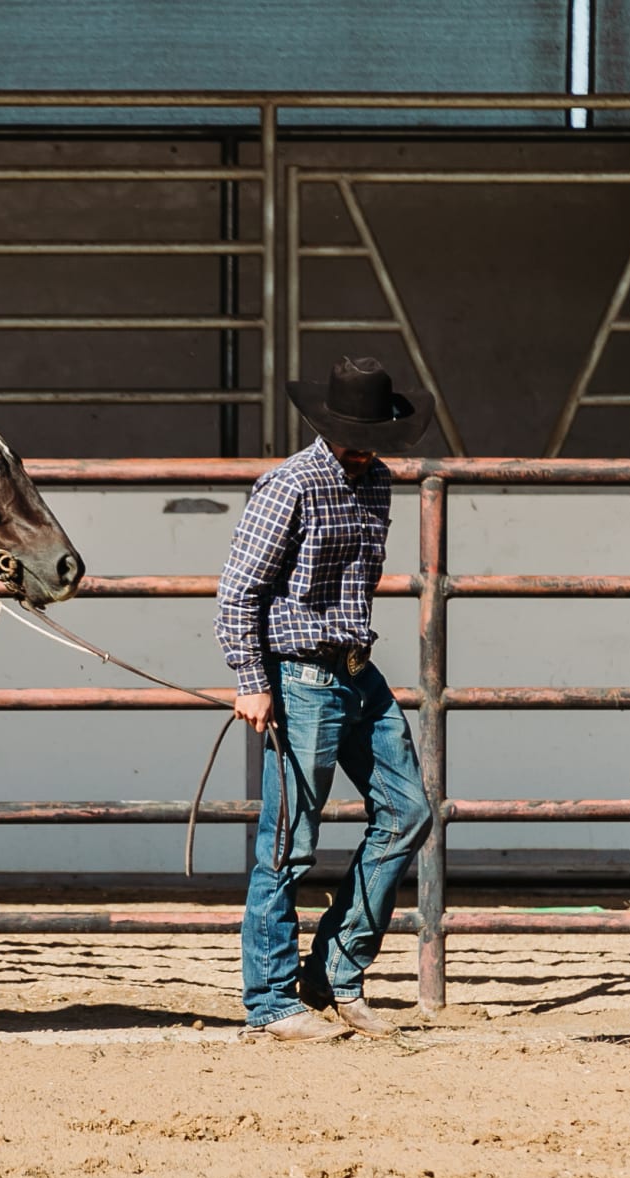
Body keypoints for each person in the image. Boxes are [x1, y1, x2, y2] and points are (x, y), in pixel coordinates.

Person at [214, 356, 435, 1043]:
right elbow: (240, 589)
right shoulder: (290, 486)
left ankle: (335, 974)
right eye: (360, 433)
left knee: (408, 812)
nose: (372, 446)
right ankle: (272, 1001)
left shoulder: (376, 485)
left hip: (355, 670)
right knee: (288, 842)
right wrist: (252, 679)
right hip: (301, 675)